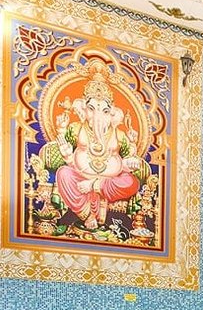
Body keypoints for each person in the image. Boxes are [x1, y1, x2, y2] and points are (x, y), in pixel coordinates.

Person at [44, 65, 147, 230]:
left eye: (104, 111)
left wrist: (130, 163)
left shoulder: (120, 135)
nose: (98, 116)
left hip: (107, 184)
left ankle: (95, 185)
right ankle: (87, 215)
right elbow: (55, 161)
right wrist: (64, 146)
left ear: (113, 114)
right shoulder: (75, 129)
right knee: (63, 173)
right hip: (80, 179)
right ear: (82, 109)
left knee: (131, 182)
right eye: (92, 109)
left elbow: (135, 165)